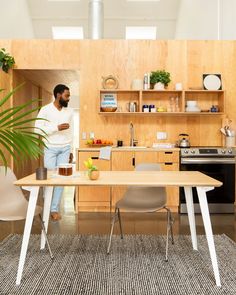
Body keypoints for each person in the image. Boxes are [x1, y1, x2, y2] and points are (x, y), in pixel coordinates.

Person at [35, 84, 74, 221]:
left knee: (61, 179)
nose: (68, 98)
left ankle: (54, 209)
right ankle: (47, 207)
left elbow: (71, 131)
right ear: (58, 95)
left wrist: (71, 149)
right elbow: (37, 130)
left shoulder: (69, 112)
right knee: (50, 179)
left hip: (65, 148)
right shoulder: (45, 110)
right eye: (67, 95)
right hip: (50, 148)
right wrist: (56, 128)